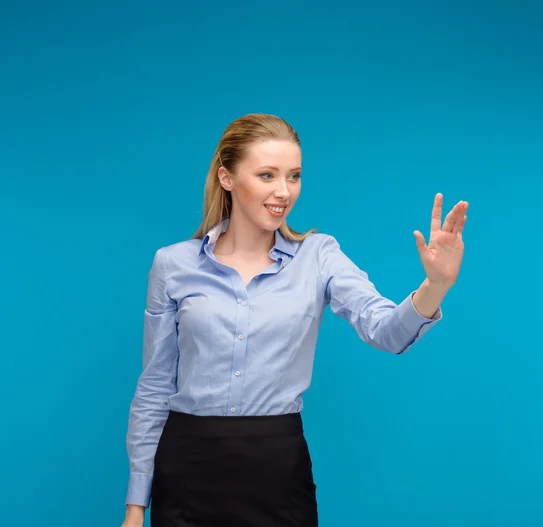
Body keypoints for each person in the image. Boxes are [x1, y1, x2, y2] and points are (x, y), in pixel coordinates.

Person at [121, 113, 468, 527]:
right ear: (227, 178)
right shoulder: (172, 264)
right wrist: (135, 506)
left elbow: (387, 332)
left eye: (294, 176)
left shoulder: (319, 256)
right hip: (186, 469)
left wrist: (437, 285)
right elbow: (155, 385)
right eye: (267, 175)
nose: (283, 192)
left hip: (277, 471)